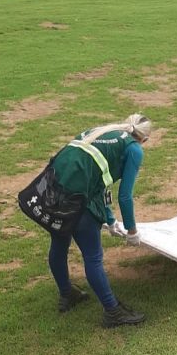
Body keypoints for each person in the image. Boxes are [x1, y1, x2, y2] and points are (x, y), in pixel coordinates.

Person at [47, 114, 150, 328]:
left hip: (52, 188)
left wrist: (110, 219)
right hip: (77, 198)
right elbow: (125, 196)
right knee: (93, 256)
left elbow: (98, 180)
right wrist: (132, 231)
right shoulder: (134, 149)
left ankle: (67, 295)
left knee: (59, 243)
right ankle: (112, 311)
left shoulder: (102, 132)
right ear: (144, 139)